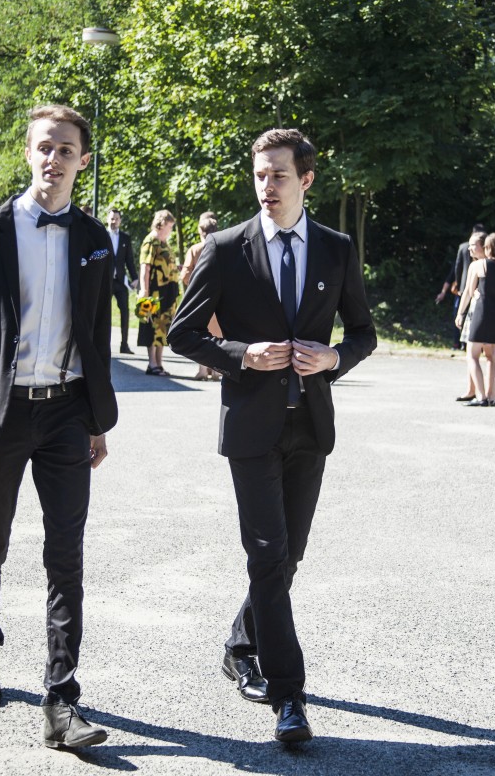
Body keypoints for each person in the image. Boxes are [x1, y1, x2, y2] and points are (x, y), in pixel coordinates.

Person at [169, 128, 377, 744]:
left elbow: (362, 332)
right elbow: (182, 333)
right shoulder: (225, 248)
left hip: (311, 425)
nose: (267, 185)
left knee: (288, 557)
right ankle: (289, 695)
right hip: (251, 428)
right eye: (260, 175)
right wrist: (241, 354)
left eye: (279, 175)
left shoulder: (336, 249)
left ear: (306, 179)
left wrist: (334, 358)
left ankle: (240, 644)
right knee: (266, 554)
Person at [0, 104, 118, 750]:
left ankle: (62, 700)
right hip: (2, 412)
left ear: (82, 161)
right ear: (27, 152)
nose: (54, 158)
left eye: (66, 149)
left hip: (68, 411)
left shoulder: (96, 239)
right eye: (45, 146)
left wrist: (96, 420)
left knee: (66, 556)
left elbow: (96, 336)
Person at [456, 233, 495, 406]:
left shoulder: (478, 265)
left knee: (472, 355)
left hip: (482, 313)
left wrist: (460, 313)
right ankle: (493, 396)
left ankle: (480, 396)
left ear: (487, 248)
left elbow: (468, 291)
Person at [179, 212, 225, 381]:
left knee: (200, 333)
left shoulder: (195, 249)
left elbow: (185, 275)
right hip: (220, 298)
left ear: (200, 231)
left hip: (200, 299)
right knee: (218, 334)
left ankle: (203, 370)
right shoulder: (224, 247)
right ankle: (218, 370)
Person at [137, 209, 180, 375]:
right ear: (162, 224)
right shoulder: (151, 241)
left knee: (163, 327)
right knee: (152, 326)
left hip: (167, 292)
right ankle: (152, 363)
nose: (171, 230)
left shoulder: (164, 243)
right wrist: (144, 291)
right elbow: (145, 268)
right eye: (170, 226)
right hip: (154, 291)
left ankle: (159, 364)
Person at [435, 225, 483, 352]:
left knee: (459, 314)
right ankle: (467, 344)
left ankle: (458, 343)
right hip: (477, 288)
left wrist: (459, 284)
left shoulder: (463, 247)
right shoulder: (484, 254)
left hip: (463, 286)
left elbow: (457, 267)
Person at [104, 207, 138, 354]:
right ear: (107, 219)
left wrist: (135, 278)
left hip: (120, 281)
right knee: (104, 313)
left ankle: (124, 345)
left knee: (125, 311)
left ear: (120, 221)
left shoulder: (125, 238)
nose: (114, 221)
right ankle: (103, 344)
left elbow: (129, 260)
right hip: (105, 281)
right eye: (112, 218)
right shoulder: (102, 235)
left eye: (117, 219)